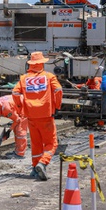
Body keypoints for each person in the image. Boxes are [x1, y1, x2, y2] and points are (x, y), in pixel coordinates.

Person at [12, 51, 63, 181]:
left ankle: (35, 168)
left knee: (36, 143)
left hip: (31, 116)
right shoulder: (49, 76)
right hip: (46, 114)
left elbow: (15, 93)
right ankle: (43, 163)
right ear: (42, 64)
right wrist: (56, 105)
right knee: (52, 143)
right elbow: (58, 90)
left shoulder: (24, 78)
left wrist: (21, 107)